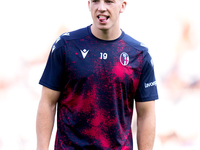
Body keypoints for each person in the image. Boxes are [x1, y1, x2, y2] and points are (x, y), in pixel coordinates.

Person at [36, 0, 159, 149]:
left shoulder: (139, 54)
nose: (101, 8)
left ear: (123, 5)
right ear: (89, 4)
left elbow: (146, 114)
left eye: (109, 2)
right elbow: (47, 102)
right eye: (95, 1)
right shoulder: (66, 45)